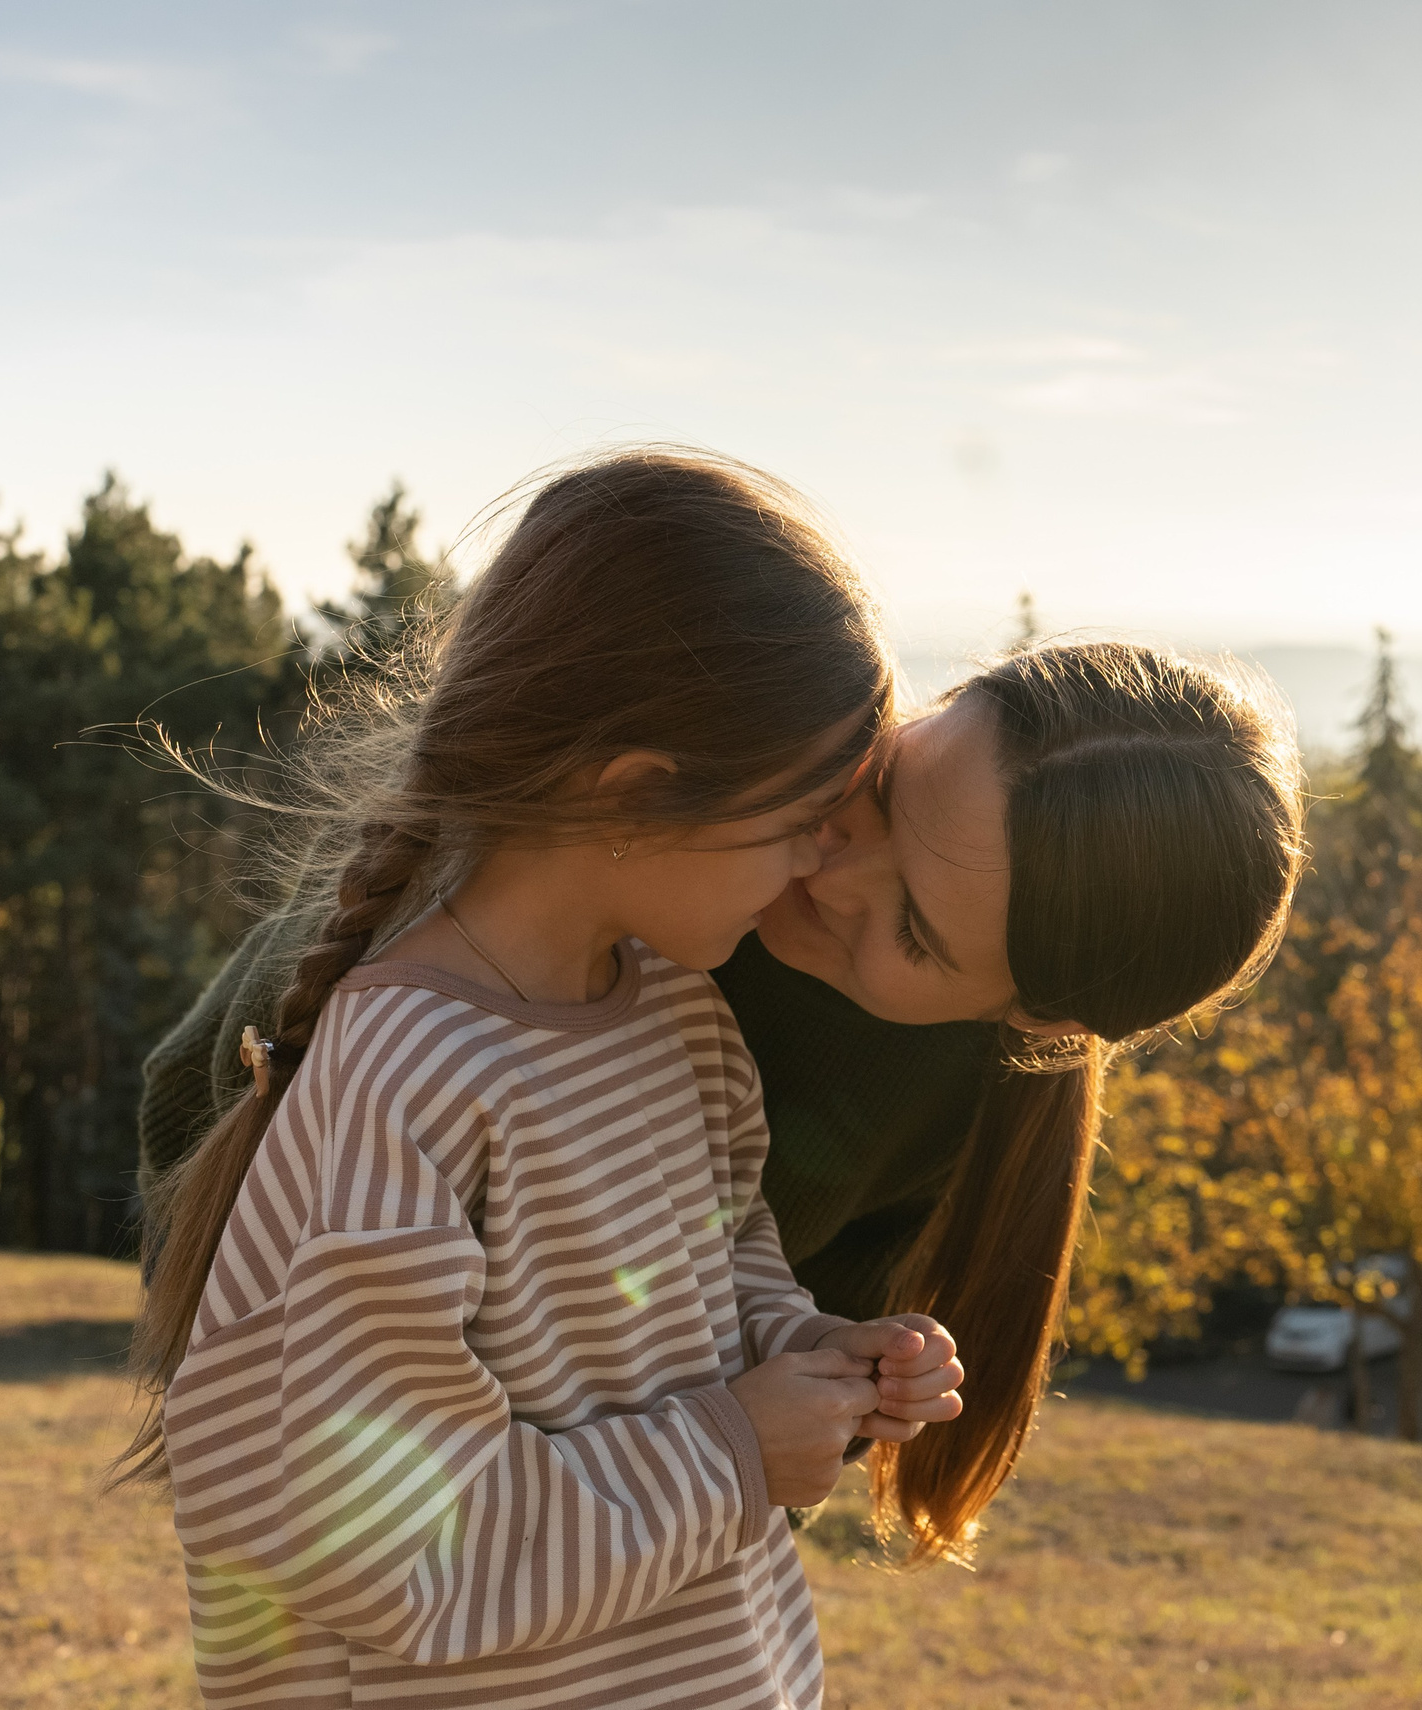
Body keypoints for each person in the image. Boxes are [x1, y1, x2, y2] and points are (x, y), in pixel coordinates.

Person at [121, 451, 968, 1710]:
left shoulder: (679, 1020)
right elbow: (395, 1544)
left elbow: (717, 1277)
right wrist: (734, 1448)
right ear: (631, 796)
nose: (814, 864)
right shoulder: (408, 1083)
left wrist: (820, 1358)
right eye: (800, 816)